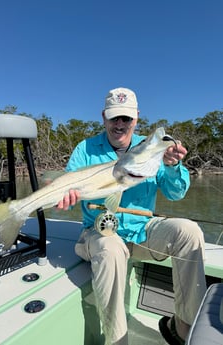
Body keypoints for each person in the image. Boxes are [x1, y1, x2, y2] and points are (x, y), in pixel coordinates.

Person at [57, 87, 206, 345]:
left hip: (141, 233)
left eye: (126, 118)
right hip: (97, 235)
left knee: (189, 231)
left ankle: (184, 326)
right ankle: (118, 340)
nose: (120, 124)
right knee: (111, 247)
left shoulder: (150, 148)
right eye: (114, 117)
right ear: (103, 117)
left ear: (136, 118)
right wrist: (65, 198)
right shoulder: (85, 149)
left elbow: (176, 194)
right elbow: (67, 193)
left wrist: (172, 166)